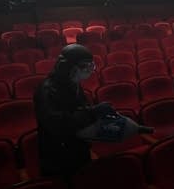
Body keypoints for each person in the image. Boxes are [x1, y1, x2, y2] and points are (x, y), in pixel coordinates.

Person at [34, 44, 115, 178]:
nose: (89, 70)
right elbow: (58, 124)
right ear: (66, 67)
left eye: (91, 66)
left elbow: (81, 110)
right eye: (84, 66)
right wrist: (92, 112)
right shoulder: (47, 90)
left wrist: (96, 114)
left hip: (78, 147)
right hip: (58, 156)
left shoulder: (73, 83)